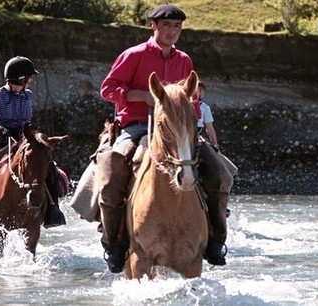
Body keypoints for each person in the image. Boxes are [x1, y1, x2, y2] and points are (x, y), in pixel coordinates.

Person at [97, 3, 234, 273]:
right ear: (154, 26)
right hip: (136, 126)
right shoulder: (133, 55)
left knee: (219, 172)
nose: (172, 31)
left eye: (177, 26)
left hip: (180, 130)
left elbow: (191, 101)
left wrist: (195, 126)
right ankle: (114, 244)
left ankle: (216, 240)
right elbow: (107, 89)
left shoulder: (184, 60)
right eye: (167, 26)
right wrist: (141, 96)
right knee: (111, 175)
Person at [0, 56, 66, 229]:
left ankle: (52, 208)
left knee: (48, 167)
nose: (31, 81)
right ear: (21, 78)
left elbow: (28, 121)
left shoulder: (28, 95)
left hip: (23, 139)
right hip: (1, 140)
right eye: (29, 77)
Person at [196, 81, 219, 149]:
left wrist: (215, 144)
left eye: (200, 90)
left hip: (197, 136)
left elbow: (210, 128)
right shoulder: (183, 105)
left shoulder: (205, 107)